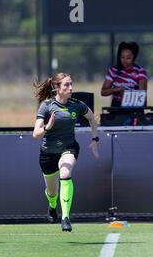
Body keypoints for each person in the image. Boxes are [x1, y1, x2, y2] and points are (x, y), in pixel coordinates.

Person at [33, 73, 99, 232]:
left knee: (65, 173)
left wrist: (95, 139)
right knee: (51, 191)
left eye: (71, 84)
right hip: (48, 153)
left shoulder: (77, 105)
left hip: (68, 148)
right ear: (56, 88)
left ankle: (65, 218)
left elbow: (92, 118)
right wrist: (48, 126)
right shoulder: (46, 105)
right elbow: (35, 134)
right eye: (66, 85)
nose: (71, 88)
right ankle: (52, 205)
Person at [101, 41, 148, 107]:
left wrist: (127, 94)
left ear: (134, 57)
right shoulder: (113, 70)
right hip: (116, 105)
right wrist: (116, 89)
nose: (125, 60)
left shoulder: (140, 72)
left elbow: (142, 96)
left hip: (134, 106)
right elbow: (103, 92)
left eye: (128, 58)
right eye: (122, 57)